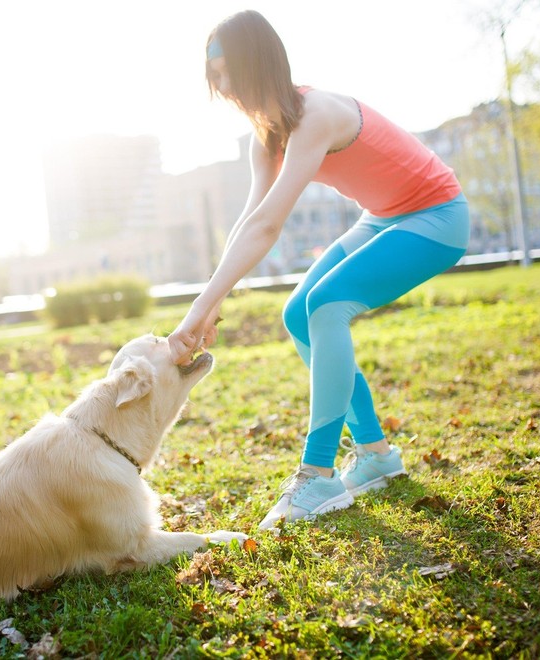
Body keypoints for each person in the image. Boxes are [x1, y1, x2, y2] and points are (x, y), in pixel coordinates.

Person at [167, 10, 470, 531]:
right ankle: (375, 454)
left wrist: (199, 310)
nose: (222, 87)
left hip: (437, 216)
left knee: (327, 305)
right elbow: (249, 222)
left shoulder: (316, 115)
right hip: (384, 218)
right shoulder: (265, 138)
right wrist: (210, 301)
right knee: (298, 314)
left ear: (256, 62)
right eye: (213, 76)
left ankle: (318, 473)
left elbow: (269, 227)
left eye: (226, 71)